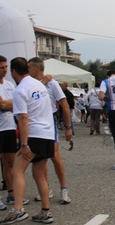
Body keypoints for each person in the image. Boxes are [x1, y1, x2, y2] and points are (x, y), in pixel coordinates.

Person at [1, 57, 54, 223]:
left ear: (13, 71)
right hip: (48, 134)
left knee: (16, 171)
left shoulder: (20, 90)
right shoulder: (39, 84)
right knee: (39, 174)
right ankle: (45, 212)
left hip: (34, 134)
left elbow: (23, 118)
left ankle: (18, 210)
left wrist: (24, 144)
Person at [27, 57, 72, 204]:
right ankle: (46, 188)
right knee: (41, 157)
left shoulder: (52, 83)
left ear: (37, 68)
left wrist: (68, 127)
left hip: (49, 120)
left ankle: (64, 189)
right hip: (34, 121)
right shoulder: (31, 84)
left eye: (29, 67)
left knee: (55, 156)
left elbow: (64, 105)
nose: (27, 70)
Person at [0, 56, 29, 210]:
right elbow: (4, 104)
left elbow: (13, 103)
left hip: (9, 127)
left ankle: (11, 194)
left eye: (5, 67)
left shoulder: (11, 85)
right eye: (1, 68)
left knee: (9, 163)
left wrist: (8, 104)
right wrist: (9, 104)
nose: (4, 70)